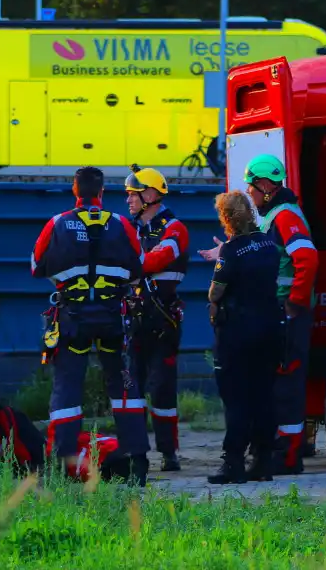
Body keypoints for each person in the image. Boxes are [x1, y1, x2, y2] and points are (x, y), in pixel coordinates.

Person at [31, 166, 152, 486]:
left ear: (75, 192)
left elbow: (36, 266)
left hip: (73, 321)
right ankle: (137, 461)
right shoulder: (122, 224)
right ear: (101, 193)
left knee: (68, 387)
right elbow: (139, 269)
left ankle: (64, 462)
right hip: (113, 318)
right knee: (124, 386)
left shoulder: (57, 224)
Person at [201, 154, 320, 475]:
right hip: (273, 315)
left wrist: (294, 303)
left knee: (285, 386)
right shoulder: (272, 218)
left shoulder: (284, 217)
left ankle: (287, 454)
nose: (250, 194)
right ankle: (271, 455)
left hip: (285, 313)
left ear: (266, 185)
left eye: (252, 187)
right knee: (272, 387)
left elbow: (306, 258)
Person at [206, 190, 283, 484]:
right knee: (263, 395)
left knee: (236, 399)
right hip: (270, 328)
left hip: (237, 334)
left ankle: (233, 463)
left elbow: (216, 292)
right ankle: (263, 460)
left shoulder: (230, 250)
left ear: (226, 218)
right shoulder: (268, 244)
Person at [124, 165, 188, 472]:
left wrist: (129, 264)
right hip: (134, 320)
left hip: (163, 322)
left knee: (162, 388)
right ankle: (136, 452)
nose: (128, 201)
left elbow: (159, 258)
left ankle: (168, 452)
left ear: (150, 195)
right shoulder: (129, 227)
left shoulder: (175, 228)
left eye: (133, 195)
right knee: (132, 388)